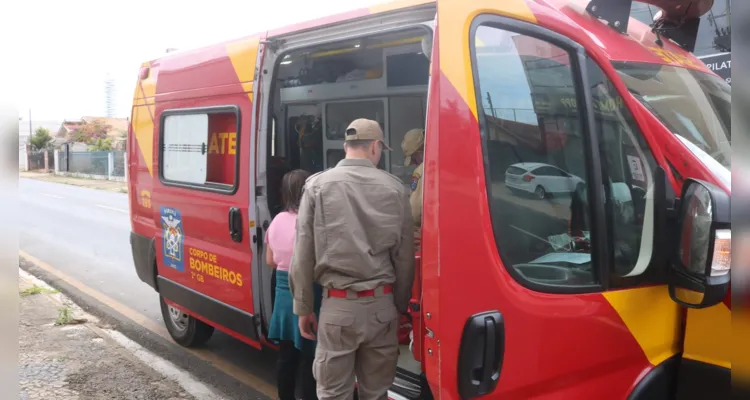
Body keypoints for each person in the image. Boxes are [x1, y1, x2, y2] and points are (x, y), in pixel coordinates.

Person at [289, 118, 415, 400]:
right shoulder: (395, 188)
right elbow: (405, 257)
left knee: (334, 394)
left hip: (338, 309)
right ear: (374, 147)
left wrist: (304, 307)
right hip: (382, 307)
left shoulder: (317, 187)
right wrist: (399, 304)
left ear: (346, 147)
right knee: (377, 393)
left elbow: (302, 254)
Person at [265, 169, 322, 400]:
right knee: (310, 357)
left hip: (282, 290)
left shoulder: (277, 220)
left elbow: (270, 260)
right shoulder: (311, 222)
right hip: (308, 289)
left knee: (286, 356)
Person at [401, 128, 425, 230]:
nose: (414, 163)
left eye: (413, 158)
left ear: (420, 152)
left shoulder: (420, 171)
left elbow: (415, 213)